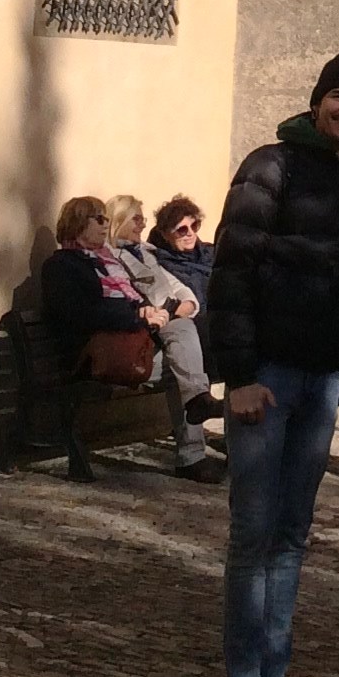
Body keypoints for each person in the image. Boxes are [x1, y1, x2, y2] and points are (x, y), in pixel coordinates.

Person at [205, 51, 339, 677]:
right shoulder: (269, 166)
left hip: (320, 383)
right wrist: (238, 375)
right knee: (253, 536)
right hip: (267, 379)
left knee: (291, 536)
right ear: (316, 103)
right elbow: (232, 270)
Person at [39, 196, 173, 481]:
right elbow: (83, 313)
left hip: (123, 343)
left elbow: (124, 301)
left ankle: (194, 445)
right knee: (184, 360)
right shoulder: (61, 266)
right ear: (78, 224)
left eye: (106, 219)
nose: (105, 225)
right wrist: (137, 317)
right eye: (99, 219)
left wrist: (144, 309)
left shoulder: (105, 261)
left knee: (184, 338)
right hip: (88, 360)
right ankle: (193, 449)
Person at [105, 194, 221, 483]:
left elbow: (178, 288)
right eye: (136, 219)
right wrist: (169, 309)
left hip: (173, 328)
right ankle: (193, 447)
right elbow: (138, 298)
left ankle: (209, 446)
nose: (142, 224)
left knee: (217, 351)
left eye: (142, 219)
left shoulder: (146, 252)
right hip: (143, 338)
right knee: (185, 358)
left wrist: (186, 304)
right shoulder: (110, 257)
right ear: (118, 221)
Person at [149, 193, 214, 315]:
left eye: (194, 226)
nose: (190, 233)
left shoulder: (212, 252)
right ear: (165, 234)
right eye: (182, 230)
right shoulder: (161, 266)